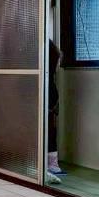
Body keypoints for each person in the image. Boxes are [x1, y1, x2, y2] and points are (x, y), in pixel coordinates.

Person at [47, 39, 65, 182]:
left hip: (46, 92)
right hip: (51, 92)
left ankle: (49, 166)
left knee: (47, 130)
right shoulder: (55, 52)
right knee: (50, 130)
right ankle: (53, 165)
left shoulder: (44, 50)